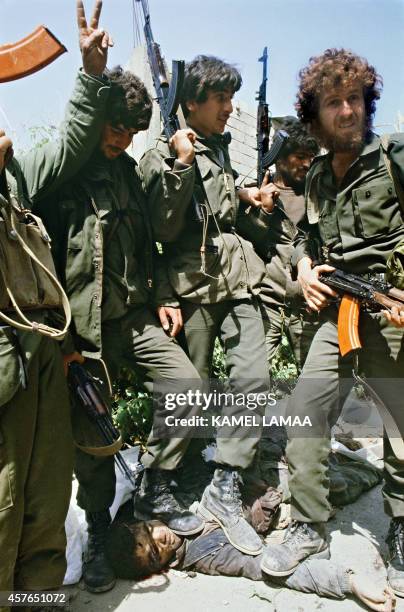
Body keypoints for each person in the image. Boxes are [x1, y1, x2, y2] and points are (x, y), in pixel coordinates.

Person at [35, 7, 211, 597]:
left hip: (134, 319)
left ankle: (153, 488)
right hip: (82, 336)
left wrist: (162, 294)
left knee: (187, 388)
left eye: (132, 134)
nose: (121, 141)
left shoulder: (129, 175)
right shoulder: (62, 178)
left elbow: (154, 242)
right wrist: (63, 346)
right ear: (97, 120)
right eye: (115, 129)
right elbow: (43, 270)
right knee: (94, 444)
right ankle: (105, 531)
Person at [261, 48, 404, 598]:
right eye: (332, 103)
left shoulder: (393, 158)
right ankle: (309, 523)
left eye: (353, 100)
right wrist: (303, 266)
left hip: (391, 313)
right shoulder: (317, 175)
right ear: (314, 115)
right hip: (339, 313)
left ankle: (401, 524)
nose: (346, 112)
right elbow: (305, 238)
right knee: (304, 410)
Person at [0, 0, 114, 605]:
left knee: (44, 509)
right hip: (2, 378)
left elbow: (71, 144)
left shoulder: (13, 176)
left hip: (40, 360)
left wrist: (91, 74)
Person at [140, 55, 272, 557]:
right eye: (220, 99)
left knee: (253, 376)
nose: (228, 108)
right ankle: (161, 481)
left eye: (230, 98)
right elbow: (163, 228)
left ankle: (226, 484)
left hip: (236, 279)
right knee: (188, 390)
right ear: (191, 103)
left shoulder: (219, 147)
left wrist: (245, 195)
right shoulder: (163, 153)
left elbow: (218, 210)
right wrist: (180, 165)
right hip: (191, 286)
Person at [105, 518, 394, 612]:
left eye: (148, 533)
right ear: (159, 569)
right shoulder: (208, 556)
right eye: (155, 554)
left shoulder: (158, 494)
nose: (161, 540)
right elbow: (271, 569)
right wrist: (349, 582)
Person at [238, 118, 320, 372]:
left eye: (311, 156)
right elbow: (250, 243)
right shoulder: (255, 193)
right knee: (252, 376)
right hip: (266, 303)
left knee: (317, 382)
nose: (307, 163)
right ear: (281, 158)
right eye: (300, 156)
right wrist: (265, 210)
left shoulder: (317, 196)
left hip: (307, 306)